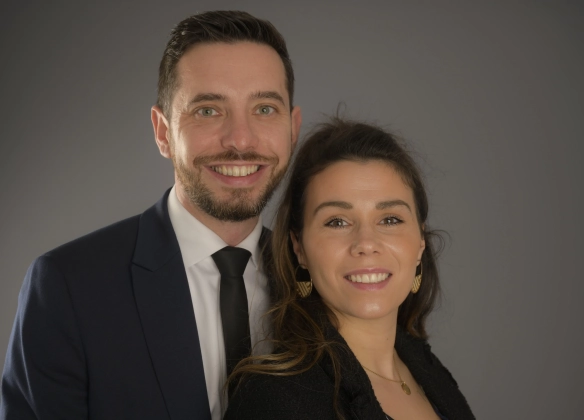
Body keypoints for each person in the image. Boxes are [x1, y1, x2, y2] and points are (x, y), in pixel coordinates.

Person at [0, 10, 301, 420]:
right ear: (163, 132)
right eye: (208, 110)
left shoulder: (315, 277)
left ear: (292, 129)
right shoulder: (68, 287)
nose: (240, 140)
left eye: (264, 109)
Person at [223, 118, 474, 420]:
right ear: (299, 247)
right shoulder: (273, 401)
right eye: (337, 222)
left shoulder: (429, 371)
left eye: (390, 219)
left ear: (420, 241)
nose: (366, 243)